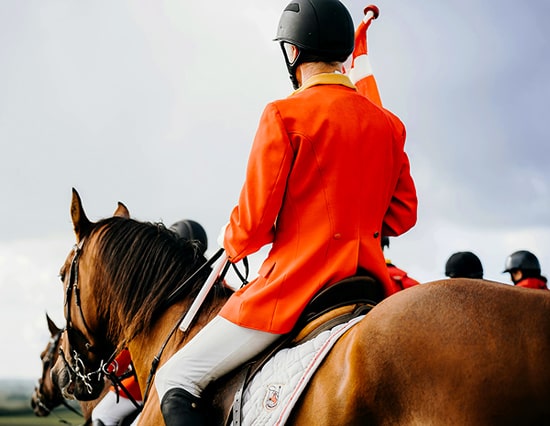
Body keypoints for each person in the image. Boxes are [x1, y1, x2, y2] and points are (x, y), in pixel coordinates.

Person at [155, 1, 417, 424]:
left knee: (175, 377)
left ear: (293, 53)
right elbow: (403, 216)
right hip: (370, 287)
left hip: (295, 288)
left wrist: (230, 236)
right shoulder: (389, 125)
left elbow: (252, 228)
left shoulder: (284, 114)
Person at [90, 219, 209, 426]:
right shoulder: (210, 282)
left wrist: (113, 367)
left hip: (147, 381)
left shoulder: (161, 295)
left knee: (102, 415)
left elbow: (139, 340)